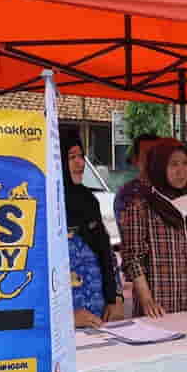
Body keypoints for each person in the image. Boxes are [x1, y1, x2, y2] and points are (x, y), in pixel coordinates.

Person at [121, 138, 187, 316]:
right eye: (173, 164)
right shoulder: (141, 207)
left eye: (185, 163)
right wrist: (147, 300)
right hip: (159, 309)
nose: (181, 171)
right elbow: (133, 259)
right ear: (159, 167)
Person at [62, 133, 123, 328]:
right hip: (63, 320)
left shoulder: (89, 201)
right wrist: (67, 317)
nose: (80, 163)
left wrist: (115, 298)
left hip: (99, 313)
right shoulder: (45, 204)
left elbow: (105, 251)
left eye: (81, 156)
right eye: (72, 157)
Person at [114, 134, 164, 231]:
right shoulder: (126, 195)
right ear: (135, 160)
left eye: (157, 154)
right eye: (147, 154)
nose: (153, 159)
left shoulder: (174, 190)